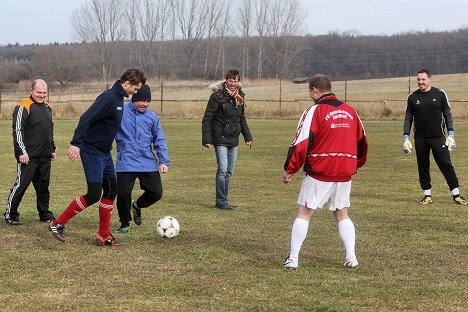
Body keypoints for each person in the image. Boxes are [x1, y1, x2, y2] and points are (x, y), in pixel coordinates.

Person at [49, 68, 146, 246]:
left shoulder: (118, 98)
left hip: (104, 152)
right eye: (136, 88)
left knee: (111, 190)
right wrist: (76, 143)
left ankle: (103, 234)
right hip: (91, 150)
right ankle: (57, 223)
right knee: (94, 194)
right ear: (127, 84)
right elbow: (86, 118)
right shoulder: (109, 98)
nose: (136, 92)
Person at [282, 74, 368, 270]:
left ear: (315, 90)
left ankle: (293, 258)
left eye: (310, 92)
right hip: (344, 171)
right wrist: (356, 163)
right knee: (342, 213)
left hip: (320, 170)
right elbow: (362, 141)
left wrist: (289, 169)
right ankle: (351, 257)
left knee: (304, 212)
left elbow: (301, 143)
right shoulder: (350, 111)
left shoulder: (314, 111)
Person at [403, 68, 468, 205]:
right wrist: (405, 137)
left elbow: (447, 115)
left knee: (446, 165)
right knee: (423, 167)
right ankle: (427, 196)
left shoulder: (440, 94)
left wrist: (451, 134)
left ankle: (456, 195)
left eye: (423, 79)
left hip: (438, 138)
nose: (420, 82)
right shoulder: (412, 97)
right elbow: (408, 118)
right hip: (420, 139)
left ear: (429, 79)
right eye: (418, 79)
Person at [114, 84, 170, 234]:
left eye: (147, 101)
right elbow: (106, 129)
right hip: (126, 160)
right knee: (123, 193)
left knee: (156, 193)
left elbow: (160, 139)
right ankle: (125, 223)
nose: (145, 104)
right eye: (142, 101)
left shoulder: (152, 117)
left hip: (147, 161)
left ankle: (137, 205)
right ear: (134, 99)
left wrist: (164, 161)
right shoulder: (120, 112)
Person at [4, 79, 56, 225]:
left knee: (43, 188)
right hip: (28, 157)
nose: (42, 95)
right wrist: (21, 152)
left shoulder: (47, 108)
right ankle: (11, 214)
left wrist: (52, 149)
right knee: (21, 185)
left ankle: (44, 213)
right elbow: (17, 131)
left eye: (44, 93)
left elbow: (49, 130)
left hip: (45, 156)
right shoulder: (23, 107)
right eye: (39, 92)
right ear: (31, 90)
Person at [201, 69, 253, 210]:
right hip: (220, 138)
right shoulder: (217, 96)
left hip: (233, 139)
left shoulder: (240, 97)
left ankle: (223, 200)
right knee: (222, 170)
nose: (232, 83)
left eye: (235, 81)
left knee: (229, 171)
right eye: (230, 80)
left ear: (238, 82)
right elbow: (207, 119)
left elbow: (241, 118)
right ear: (226, 80)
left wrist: (247, 137)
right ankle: (222, 201)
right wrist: (207, 139)